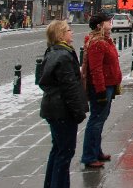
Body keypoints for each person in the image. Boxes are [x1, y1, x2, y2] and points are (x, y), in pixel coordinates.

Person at [39, 20, 89, 188]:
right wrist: (78, 111)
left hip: (53, 108)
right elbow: (70, 87)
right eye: (68, 30)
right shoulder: (64, 55)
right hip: (62, 111)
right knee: (65, 153)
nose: (72, 32)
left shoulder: (54, 51)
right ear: (60, 35)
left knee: (57, 150)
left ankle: (50, 183)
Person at [80, 13, 122, 169]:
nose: (111, 23)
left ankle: (96, 151)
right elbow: (96, 69)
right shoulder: (98, 43)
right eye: (108, 22)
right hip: (102, 87)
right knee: (96, 121)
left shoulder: (105, 40)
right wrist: (100, 90)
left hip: (109, 85)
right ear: (99, 25)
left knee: (100, 120)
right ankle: (89, 156)